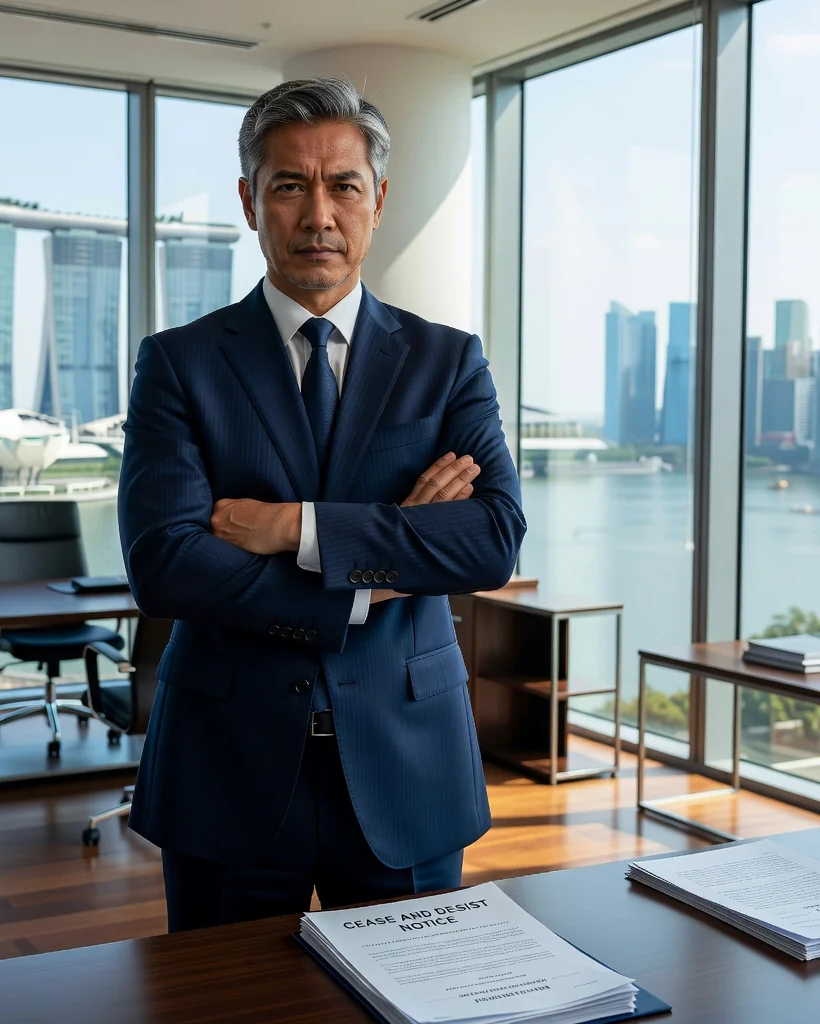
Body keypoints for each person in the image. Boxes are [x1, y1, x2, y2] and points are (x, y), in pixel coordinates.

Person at [118, 77, 526, 932]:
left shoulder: (447, 362)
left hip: (408, 763)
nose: (318, 216)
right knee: (220, 1009)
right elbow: (166, 566)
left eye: (343, 186)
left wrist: (293, 529)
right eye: (289, 186)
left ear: (377, 200)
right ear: (249, 201)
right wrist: (377, 573)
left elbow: (489, 541)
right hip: (225, 766)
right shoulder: (179, 364)